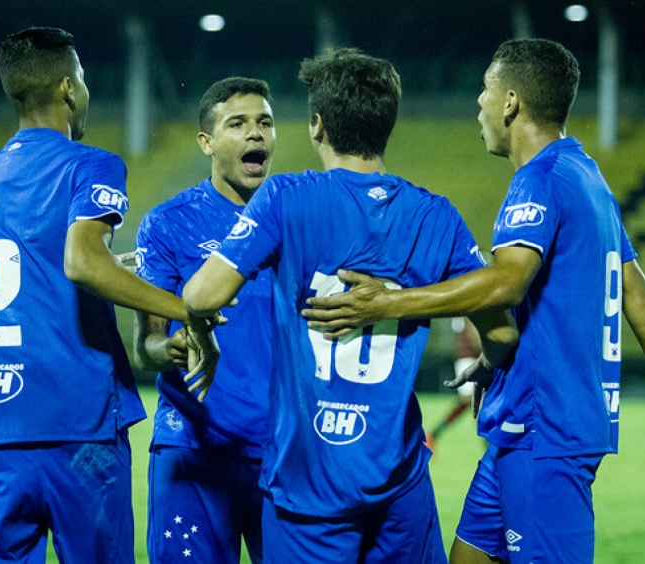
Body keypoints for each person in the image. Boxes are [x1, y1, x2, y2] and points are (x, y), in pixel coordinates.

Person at [301, 38, 645, 563]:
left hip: (547, 429)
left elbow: (506, 283)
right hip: (523, 425)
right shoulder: (586, 175)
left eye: (486, 91)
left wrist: (386, 303)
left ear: (511, 102)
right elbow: (639, 298)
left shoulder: (537, 180)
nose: (479, 104)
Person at [182, 47, 518, 564]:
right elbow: (501, 336)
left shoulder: (284, 198)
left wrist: (203, 334)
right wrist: (486, 365)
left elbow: (200, 296)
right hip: (399, 482)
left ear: (317, 125)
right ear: (388, 124)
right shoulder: (437, 217)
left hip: (307, 482)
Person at [0, 27, 211, 564]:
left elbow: (44, 266)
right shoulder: (88, 164)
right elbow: (81, 261)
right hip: (77, 433)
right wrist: (184, 309)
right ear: (69, 89)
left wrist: (105, 270)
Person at [133, 77, 277, 563]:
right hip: (192, 447)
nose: (255, 134)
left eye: (264, 123)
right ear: (207, 142)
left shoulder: (294, 219)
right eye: (237, 124)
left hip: (280, 450)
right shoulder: (168, 223)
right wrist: (169, 349)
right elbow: (147, 345)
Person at [425, 317, 481, 452]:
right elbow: (475, 336)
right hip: (470, 358)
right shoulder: (471, 307)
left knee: (472, 402)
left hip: (466, 357)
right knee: (473, 401)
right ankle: (433, 435)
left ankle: (433, 435)